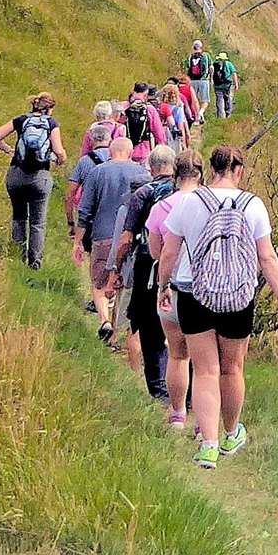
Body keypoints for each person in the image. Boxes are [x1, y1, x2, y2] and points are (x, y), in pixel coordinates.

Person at [158, 145, 278, 469]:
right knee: (232, 369)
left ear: (211, 170)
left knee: (205, 370)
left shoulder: (190, 202)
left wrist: (163, 287)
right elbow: (266, 257)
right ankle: (232, 433)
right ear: (238, 170)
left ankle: (209, 444)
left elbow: (169, 251)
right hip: (238, 297)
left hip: (195, 294)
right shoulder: (253, 205)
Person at [112, 145, 177, 401]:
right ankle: (189, 392)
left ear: (151, 167)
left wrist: (117, 268)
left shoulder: (143, 194)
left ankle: (159, 390)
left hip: (147, 265)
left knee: (149, 328)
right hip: (183, 268)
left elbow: (127, 238)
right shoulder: (185, 195)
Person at [77, 136, 151, 345]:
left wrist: (78, 240)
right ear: (130, 152)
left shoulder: (97, 172)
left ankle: (104, 320)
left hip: (102, 234)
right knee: (122, 282)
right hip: (132, 237)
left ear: (110, 152)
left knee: (99, 281)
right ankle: (117, 331)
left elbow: (85, 209)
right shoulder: (141, 173)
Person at [153, 148, 202, 430]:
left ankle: (177, 413)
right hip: (202, 288)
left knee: (177, 353)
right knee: (206, 362)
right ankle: (203, 420)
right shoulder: (208, 205)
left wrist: (162, 285)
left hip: (173, 287)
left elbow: (158, 250)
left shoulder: (162, 207)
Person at [0, 92, 65, 270]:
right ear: (50, 109)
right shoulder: (51, 124)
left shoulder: (21, 120)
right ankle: (35, 263)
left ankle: (18, 255)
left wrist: (9, 150)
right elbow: (60, 152)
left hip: (17, 174)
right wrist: (59, 160)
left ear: (33, 105)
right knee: (38, 222)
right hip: (40, 176)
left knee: (19, 216)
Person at [68, 123, 114, 295]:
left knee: (94, 256)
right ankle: (109, 290)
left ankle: (97, 291)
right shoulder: (116, 160)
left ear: (91, 140)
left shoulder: (85, 162)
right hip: (113, 216)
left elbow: (70, 193)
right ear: (110, 140)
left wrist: (71, 222)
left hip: (90, 217)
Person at [124, 84, 168, 164]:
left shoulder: (125, 107)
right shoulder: (150, 109)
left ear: (133, 93)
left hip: (126, 152)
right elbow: (159, 133)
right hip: (144, 152)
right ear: (146, 95)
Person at [158, 81, 190, 150]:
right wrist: (183, 143)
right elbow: (180, 126)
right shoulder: (178, 107)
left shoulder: (160, 106)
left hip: (161, 134)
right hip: (173, 135)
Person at [211, 52, 239, 119]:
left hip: (217, 85)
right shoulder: (229, 64)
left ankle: (220, 116)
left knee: (219, 99)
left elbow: (211, 73)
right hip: (227, 85)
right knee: (227, 98)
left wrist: (211, 81)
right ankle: (228, 113)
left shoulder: (214, 64)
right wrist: (236, 84)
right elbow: (234, 73)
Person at [186, 41, 211, 111]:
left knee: (194, 99)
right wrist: (211, 78)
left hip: (192, 80)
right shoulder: (206, 55)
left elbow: (188, 68)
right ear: (201, 47)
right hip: (203, 80)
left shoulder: (190, 56)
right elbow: (211, 68)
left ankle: (195, 115)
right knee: (205, 101)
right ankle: (201, 113)